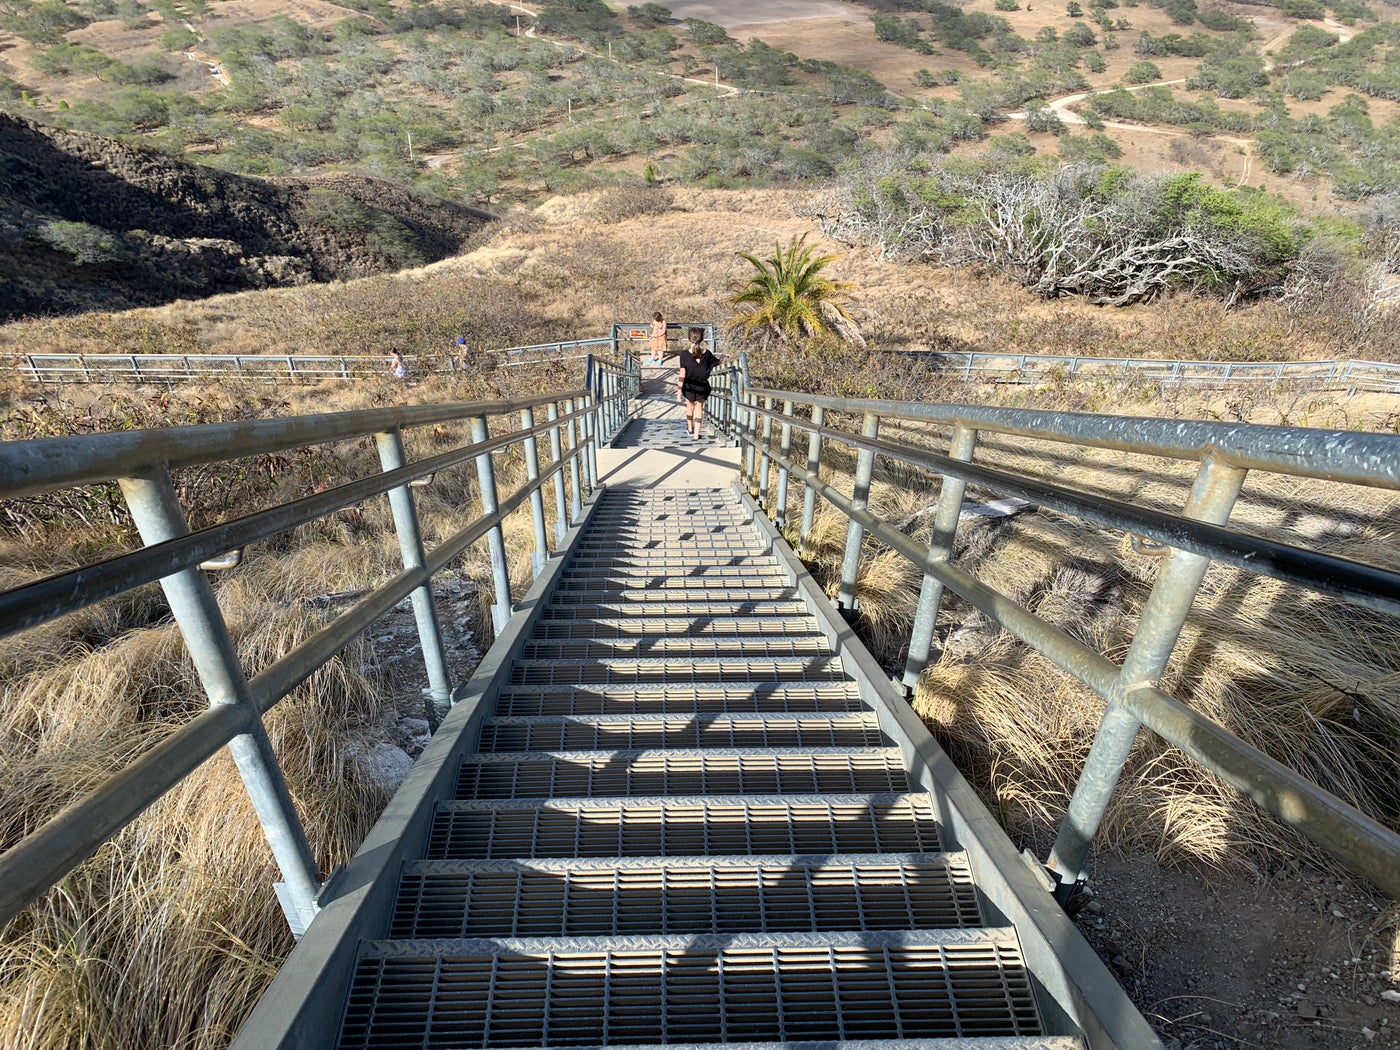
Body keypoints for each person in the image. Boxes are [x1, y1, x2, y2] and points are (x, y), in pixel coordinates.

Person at [675, 327, 720, 440]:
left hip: (688, 386)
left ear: (689, 338)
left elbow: (682, 374)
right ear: (702, 339)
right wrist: (723, 357)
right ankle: (696, 435)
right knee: (699, 407)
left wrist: (679, 392)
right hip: (703, 386)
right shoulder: (707, 354)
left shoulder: (684, 355)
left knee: (690, 406)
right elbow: (717, 362)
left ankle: (690, 428)